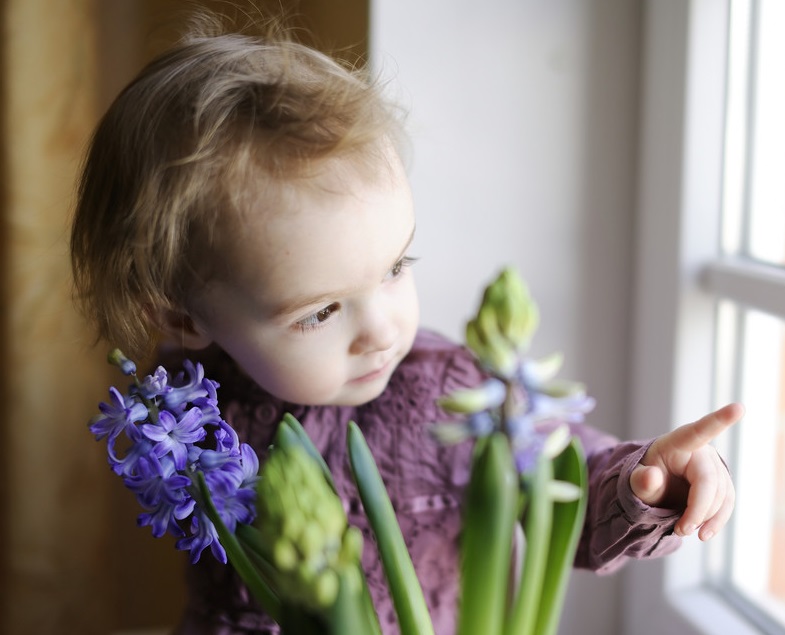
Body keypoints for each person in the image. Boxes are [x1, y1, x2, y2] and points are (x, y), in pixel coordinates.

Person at [70, 15, 742, 635]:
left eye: (396, 266)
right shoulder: (185, 424)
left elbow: (566, 486)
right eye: (322, 311)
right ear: (182, 317)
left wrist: (647, 481)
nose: (382, 329)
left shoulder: (447, 387)